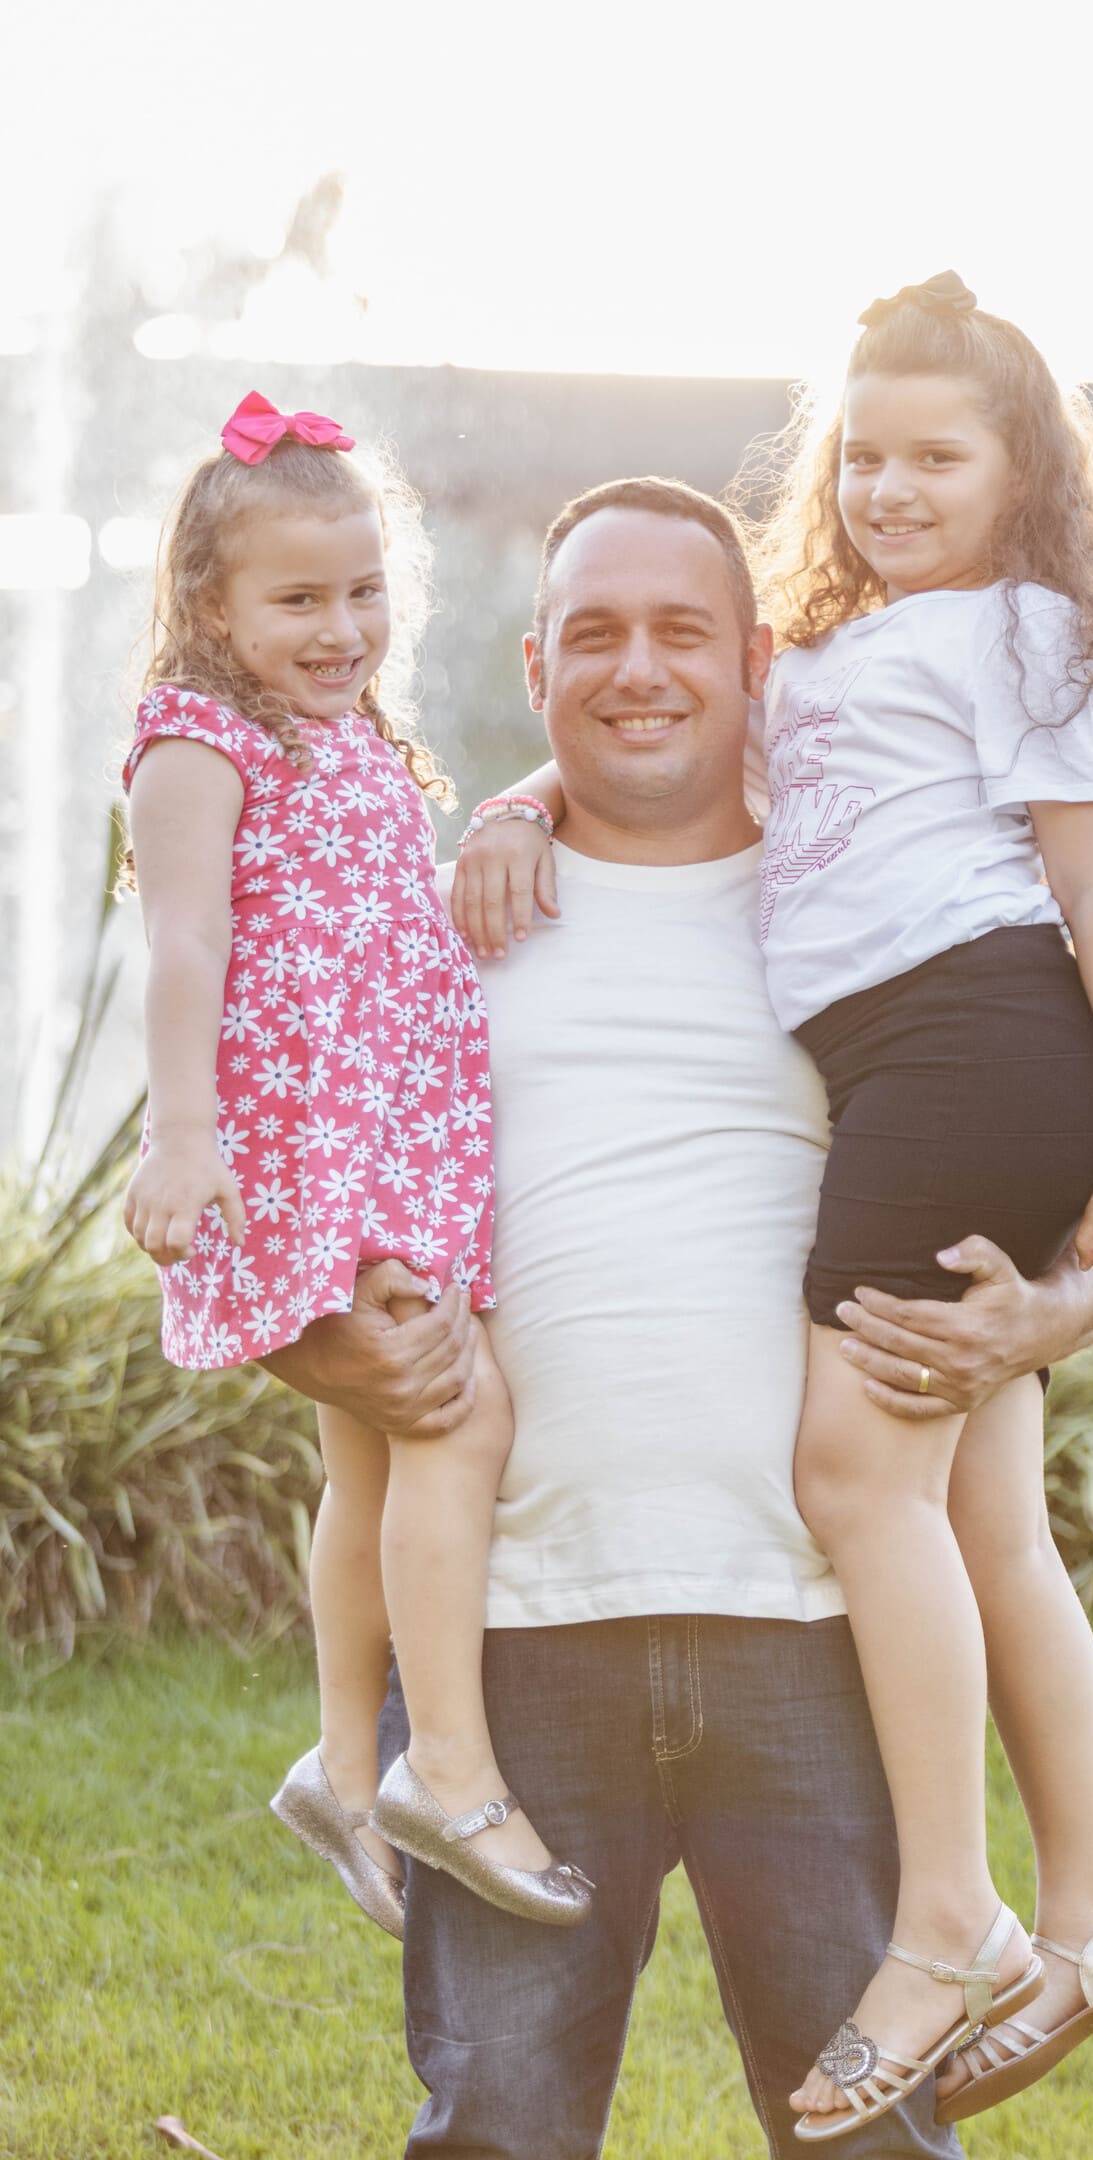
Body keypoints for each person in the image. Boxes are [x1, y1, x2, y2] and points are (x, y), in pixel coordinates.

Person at [275, 475, 1093, 2158]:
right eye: (593, 634)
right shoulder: (443, 929)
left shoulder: (871, 918)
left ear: (762, 669)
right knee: (498, 2131)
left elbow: (1082, 1176)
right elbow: (280, 1183)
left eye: (683, 631)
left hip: (819, 1642)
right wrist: (319, 1345)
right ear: (535, 668)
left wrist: (1054, 1318)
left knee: (869, 2145)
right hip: (512, 1659)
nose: (638, 668)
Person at [475, 273, 1093, 2142]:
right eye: (861, 453)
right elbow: (679, 706)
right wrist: (526, 796)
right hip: (923, 1060)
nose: (885, 485)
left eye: (935, 456)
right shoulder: (849, 651)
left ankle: (955, 1912)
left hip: (973, 1036)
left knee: (859, 1475)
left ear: (1023, 469)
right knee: (977, 1493)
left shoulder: (1031, 631)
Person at [119, 394, 591, 1945]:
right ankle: (445, 1765)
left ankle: (342, 1759)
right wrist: (181, 1136)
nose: (343, 629)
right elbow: (181, 944)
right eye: (299, 600)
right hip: (306, 1156)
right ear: (211, 607)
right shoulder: (197, 744)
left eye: (365, 592)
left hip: (388, 1140)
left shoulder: (353, 739)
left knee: (371, 1456)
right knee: (458, 1410)